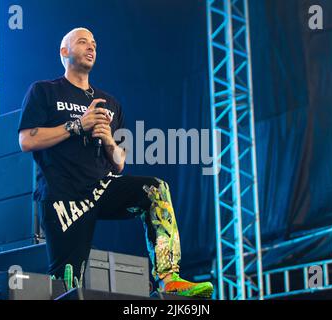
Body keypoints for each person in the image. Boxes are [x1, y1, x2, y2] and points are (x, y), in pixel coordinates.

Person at [17, 27, 213, 298]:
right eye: (83, 42)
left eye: (94, 44)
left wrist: (108, 140)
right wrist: (78, 125)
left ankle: (168, 278)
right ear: (64, 52)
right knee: (67, 282)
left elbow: (120, 163)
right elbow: (26, 140)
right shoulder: (44, 91)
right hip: (64, 195)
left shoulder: (110, 103)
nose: (91, 47)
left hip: (102, 186)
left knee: (156, 190)